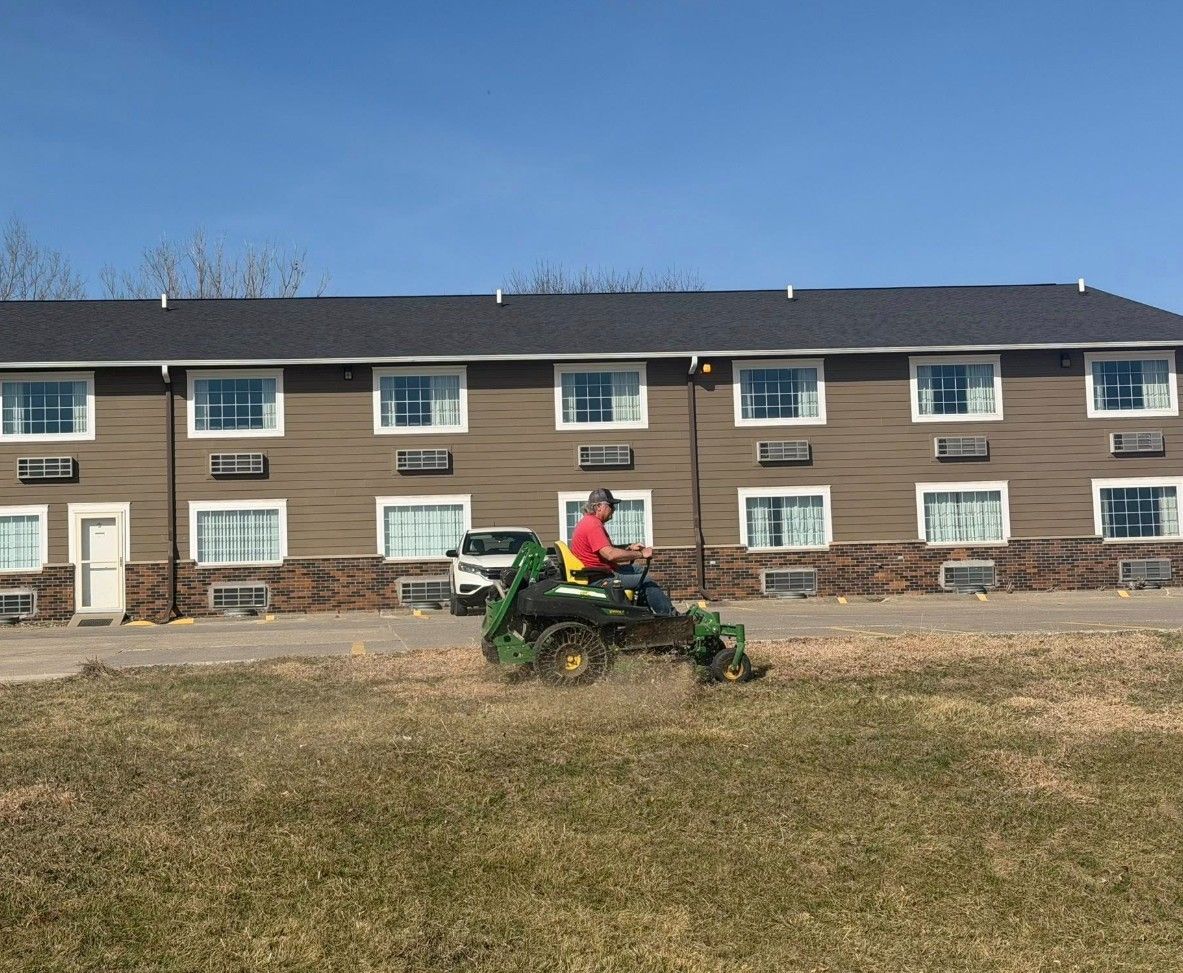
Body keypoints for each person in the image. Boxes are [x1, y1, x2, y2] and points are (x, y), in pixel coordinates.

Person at [569, 487, 676, 615]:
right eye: (611, 505)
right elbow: (610, 554)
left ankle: (645, 613)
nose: (614, 509)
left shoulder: (588, 522)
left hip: (602, 571)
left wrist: (628, 548)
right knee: (646, 580)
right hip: (601, 578)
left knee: (639, 571)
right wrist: (641, 553)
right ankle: (668, 616)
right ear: (598, 507)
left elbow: (603, 549)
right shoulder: (593, 525)